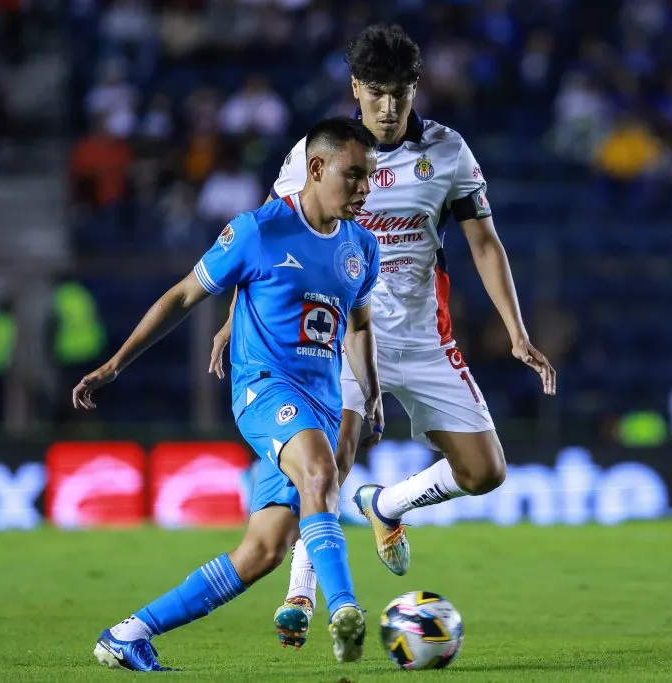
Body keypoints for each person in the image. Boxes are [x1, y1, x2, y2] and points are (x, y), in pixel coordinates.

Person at [210, 24, 556, 650]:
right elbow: (271, 235)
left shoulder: (448, 152)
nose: (389, 108)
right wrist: (235, 318)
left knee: (485, 473)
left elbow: (483, 241)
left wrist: (516, 332)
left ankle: (387, 505)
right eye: (376, 92)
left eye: (400, 93)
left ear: (416, 89)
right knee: (330, 459)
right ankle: (303, 594)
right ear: (355, 89)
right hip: (340, 333)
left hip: (425, 337)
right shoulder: (318, 154)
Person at [74, 117, 383, 671]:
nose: (364, 189)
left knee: (261, 552)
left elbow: (358, 325)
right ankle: (344, 610)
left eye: (370, 178)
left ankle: (128, 633)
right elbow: (183, 295)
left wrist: (374, 393)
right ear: (316, 168)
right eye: (353, 176)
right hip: (263, 390)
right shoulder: (257, 230)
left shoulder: (361, 246)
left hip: (321, 401)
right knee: (320, 473)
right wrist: (117, 363)